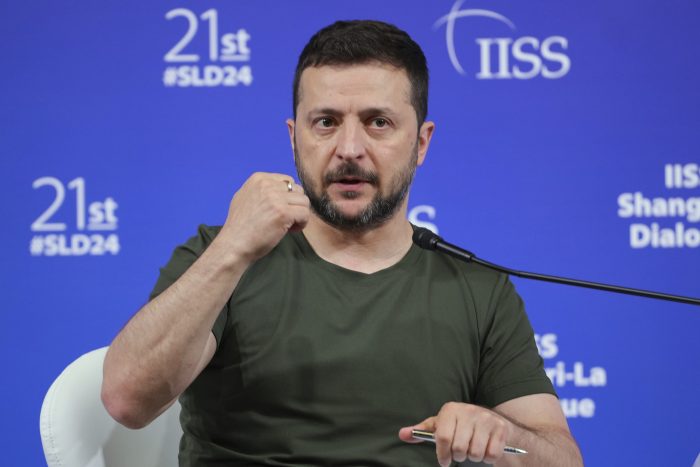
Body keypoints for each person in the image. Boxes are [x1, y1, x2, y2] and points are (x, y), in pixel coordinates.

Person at [102, 20, 583, 467]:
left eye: (378, 122)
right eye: (326, 122)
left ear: (421, 143)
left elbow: (561, 458)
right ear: (294, 138)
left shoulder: (479, 290)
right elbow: (126, 400)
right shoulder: (222, 255)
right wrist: (233, 249)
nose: (349, 149)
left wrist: (501, 434)